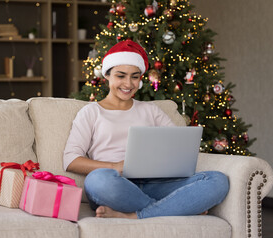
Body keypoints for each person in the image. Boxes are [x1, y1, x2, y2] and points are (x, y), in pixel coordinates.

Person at [63, 40, 229, 219]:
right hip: (116, 185)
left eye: (134, 76)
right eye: (121, 76)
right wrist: (116, 167)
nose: (128, 84)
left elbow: (178, 146)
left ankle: (135, 216)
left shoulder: (151, 111)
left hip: (156, 183)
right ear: (107, 76)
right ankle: (177, 207)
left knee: (218, 181)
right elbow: (71, 160)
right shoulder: (91, 112)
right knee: (97, 180)